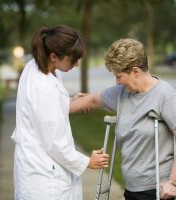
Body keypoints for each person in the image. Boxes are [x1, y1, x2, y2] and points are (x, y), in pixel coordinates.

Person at [70, 38, 176, 200]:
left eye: (119, 76)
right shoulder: (121, 92)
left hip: (163, 188)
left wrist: (173, 182)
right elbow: (92, 100)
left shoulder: (167, 96)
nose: (117, 82)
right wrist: (57, 107)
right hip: (134, 189)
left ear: (135, 71)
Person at [11, 25, 109, 200]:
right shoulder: (42, 86)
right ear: (54, 56)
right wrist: (88, 162)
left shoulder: (37, 66)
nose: (76, 64)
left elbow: (43, 109)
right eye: (72, 60)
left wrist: (69, 100)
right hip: (43, 179)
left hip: (44, 168)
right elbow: (54, 143)